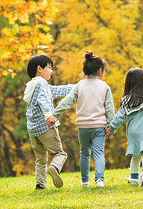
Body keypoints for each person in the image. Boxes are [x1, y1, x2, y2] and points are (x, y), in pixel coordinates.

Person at [48, 51, 115, 188]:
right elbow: (109, 109)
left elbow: (67, 102)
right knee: (99, 152)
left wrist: (55, 115)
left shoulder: (79, 85)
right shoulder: (104, 87)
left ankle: (85, 181)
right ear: (100, 71)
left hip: (83, 127)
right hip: (99, 126)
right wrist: (111, 127)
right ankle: (99, 180)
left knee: (84, 152)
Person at [23, 54, 74, 190]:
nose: (51, 71)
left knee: (40, 159)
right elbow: (44, 100)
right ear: (40, 68)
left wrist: (75, 87)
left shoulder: (33, 84)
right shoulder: (41, 83)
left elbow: (54, 91)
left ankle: (40, 185)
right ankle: (55, 168)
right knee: (59, 154)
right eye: (49, 68)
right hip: (46, 126)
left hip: (33, 130)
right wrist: (48, 116)